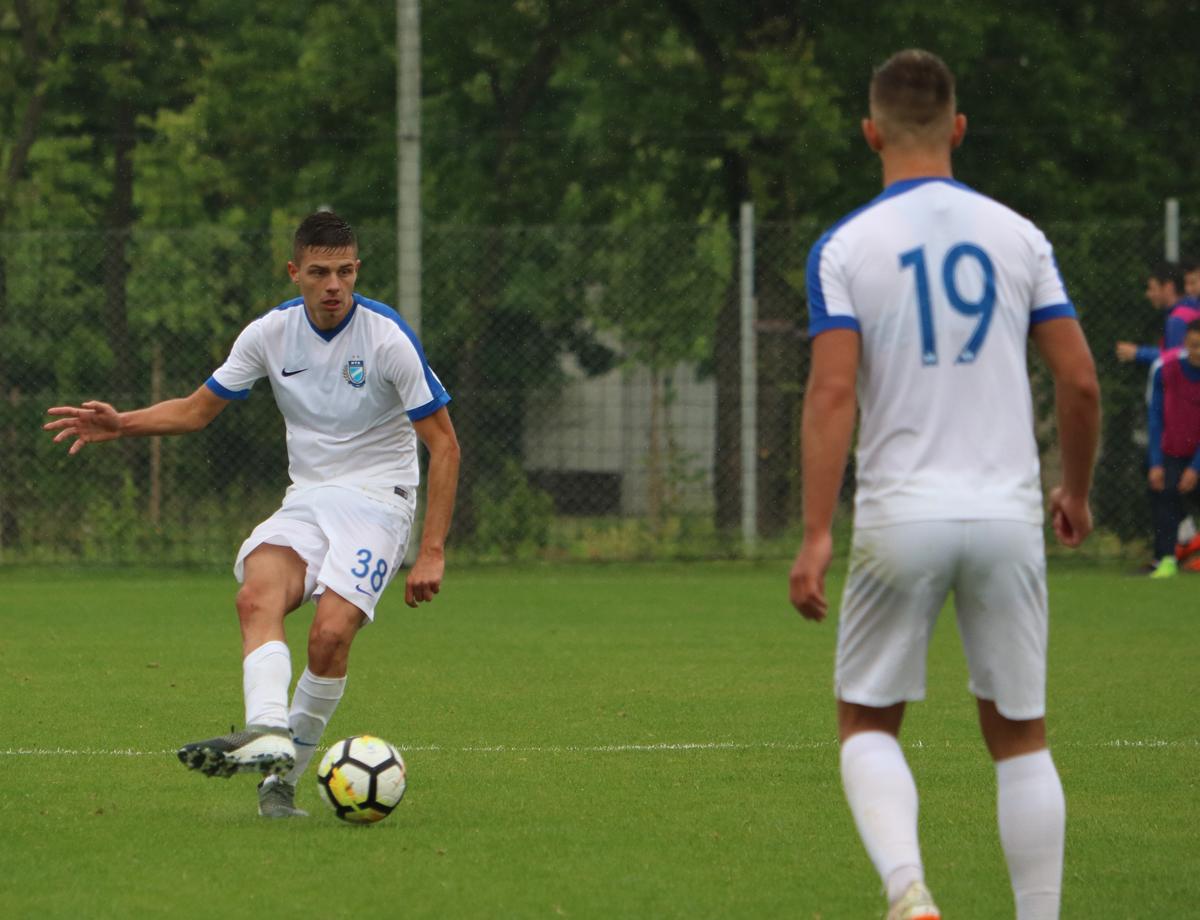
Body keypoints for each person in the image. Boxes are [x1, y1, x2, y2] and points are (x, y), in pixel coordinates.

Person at [789, 50, 1100, 920]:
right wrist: (1074, 491)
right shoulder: (1019, 236)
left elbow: (832, 394)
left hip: (901, 516)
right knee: (1020, 738)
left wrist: (816, 534)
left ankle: (910, 891)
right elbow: (1080, 382)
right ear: (958, 128)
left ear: (870, 133)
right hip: (1007, 513)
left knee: (866, 722)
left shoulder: (845, 247)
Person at [44, 211, 460, 818]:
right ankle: (267, 730)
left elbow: (444, 445)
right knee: (255, 595)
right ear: (294, 271)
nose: (333, 286)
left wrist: (432, 550)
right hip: (308, 498)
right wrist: (121, 424)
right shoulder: (269, 334)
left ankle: (280, 780)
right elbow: (196, 410)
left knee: (329, 637)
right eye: (318, 273)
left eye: (345, 272)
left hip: (379, 501)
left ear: (356, 270)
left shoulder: (387, 338)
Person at [1145, 319, 1200, 577]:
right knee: (1163, 495)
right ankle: (1166, 559)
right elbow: (1155, 418)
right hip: (1172, 451)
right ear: (1185, 343)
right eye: (1194, 345)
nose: (1198, 351)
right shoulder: (1165, 370)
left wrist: (1195, 468)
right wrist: (1156, 462)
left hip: (1197, 455)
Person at [1114, 262, 1200, 365]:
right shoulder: (1192, 308)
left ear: (1168, 287)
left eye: (1152, 288)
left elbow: (1175, 360)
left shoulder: (1178, 319)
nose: (1148, 294)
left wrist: (1138, 353)